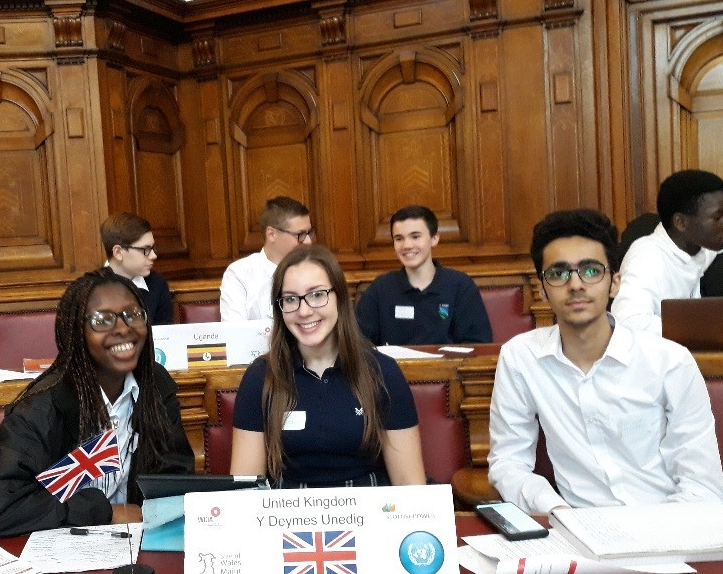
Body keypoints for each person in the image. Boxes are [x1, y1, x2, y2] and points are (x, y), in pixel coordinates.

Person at [488, 209, 723, 514]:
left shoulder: (669, 361)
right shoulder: (521, 358)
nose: (575, 285)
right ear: (543, 288)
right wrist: (556, 510)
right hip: (579, 532)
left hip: (668, 527)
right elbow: (508, 462)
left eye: (590, 270)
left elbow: (701, 485)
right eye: (558, 273)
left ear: (614, 283)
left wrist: (654, 534)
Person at [0, 268, 195, 536]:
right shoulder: (43, 407)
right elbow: (4, 506)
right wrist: (104, 512)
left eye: (133, 315)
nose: (124, 329)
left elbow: (175, 477)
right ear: (76, 333)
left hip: (138, 540)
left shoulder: (155, 386)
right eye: (103, 320)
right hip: (63, 547)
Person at [229, 244, 426, 487]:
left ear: (339, 297)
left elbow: (410, 485)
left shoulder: (383, 373)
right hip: (285, 516)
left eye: (317, 295)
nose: (304, 311)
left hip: (369, 513)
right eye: (290, 299)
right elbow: (244, 490)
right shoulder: (260, 378)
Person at [355, 205, 492, 345]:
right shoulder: (381, 288)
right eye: (399, 238)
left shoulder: (461, 286)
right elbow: (358, 343)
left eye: (415, 236)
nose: (407, 245)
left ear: (434, 239)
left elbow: (478, 344)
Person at [611, 169, 723, 335]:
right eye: (717, 218)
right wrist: (703, 329)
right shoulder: (647, 258)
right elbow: (627, 321)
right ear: (681, 223)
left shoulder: (701, 245)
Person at [220, 196, 313, 322]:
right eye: (300, 235)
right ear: (272, 234)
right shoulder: (239, 274)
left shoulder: (315, 270)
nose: (308, 241)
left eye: (309, 233)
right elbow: (236, 333)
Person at [101, 212, 174, 325]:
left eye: (153, 248)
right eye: (145, 249)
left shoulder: (157, 283)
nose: (153, 255)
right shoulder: (90, 289)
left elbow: (164, 334)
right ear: (118, 252)